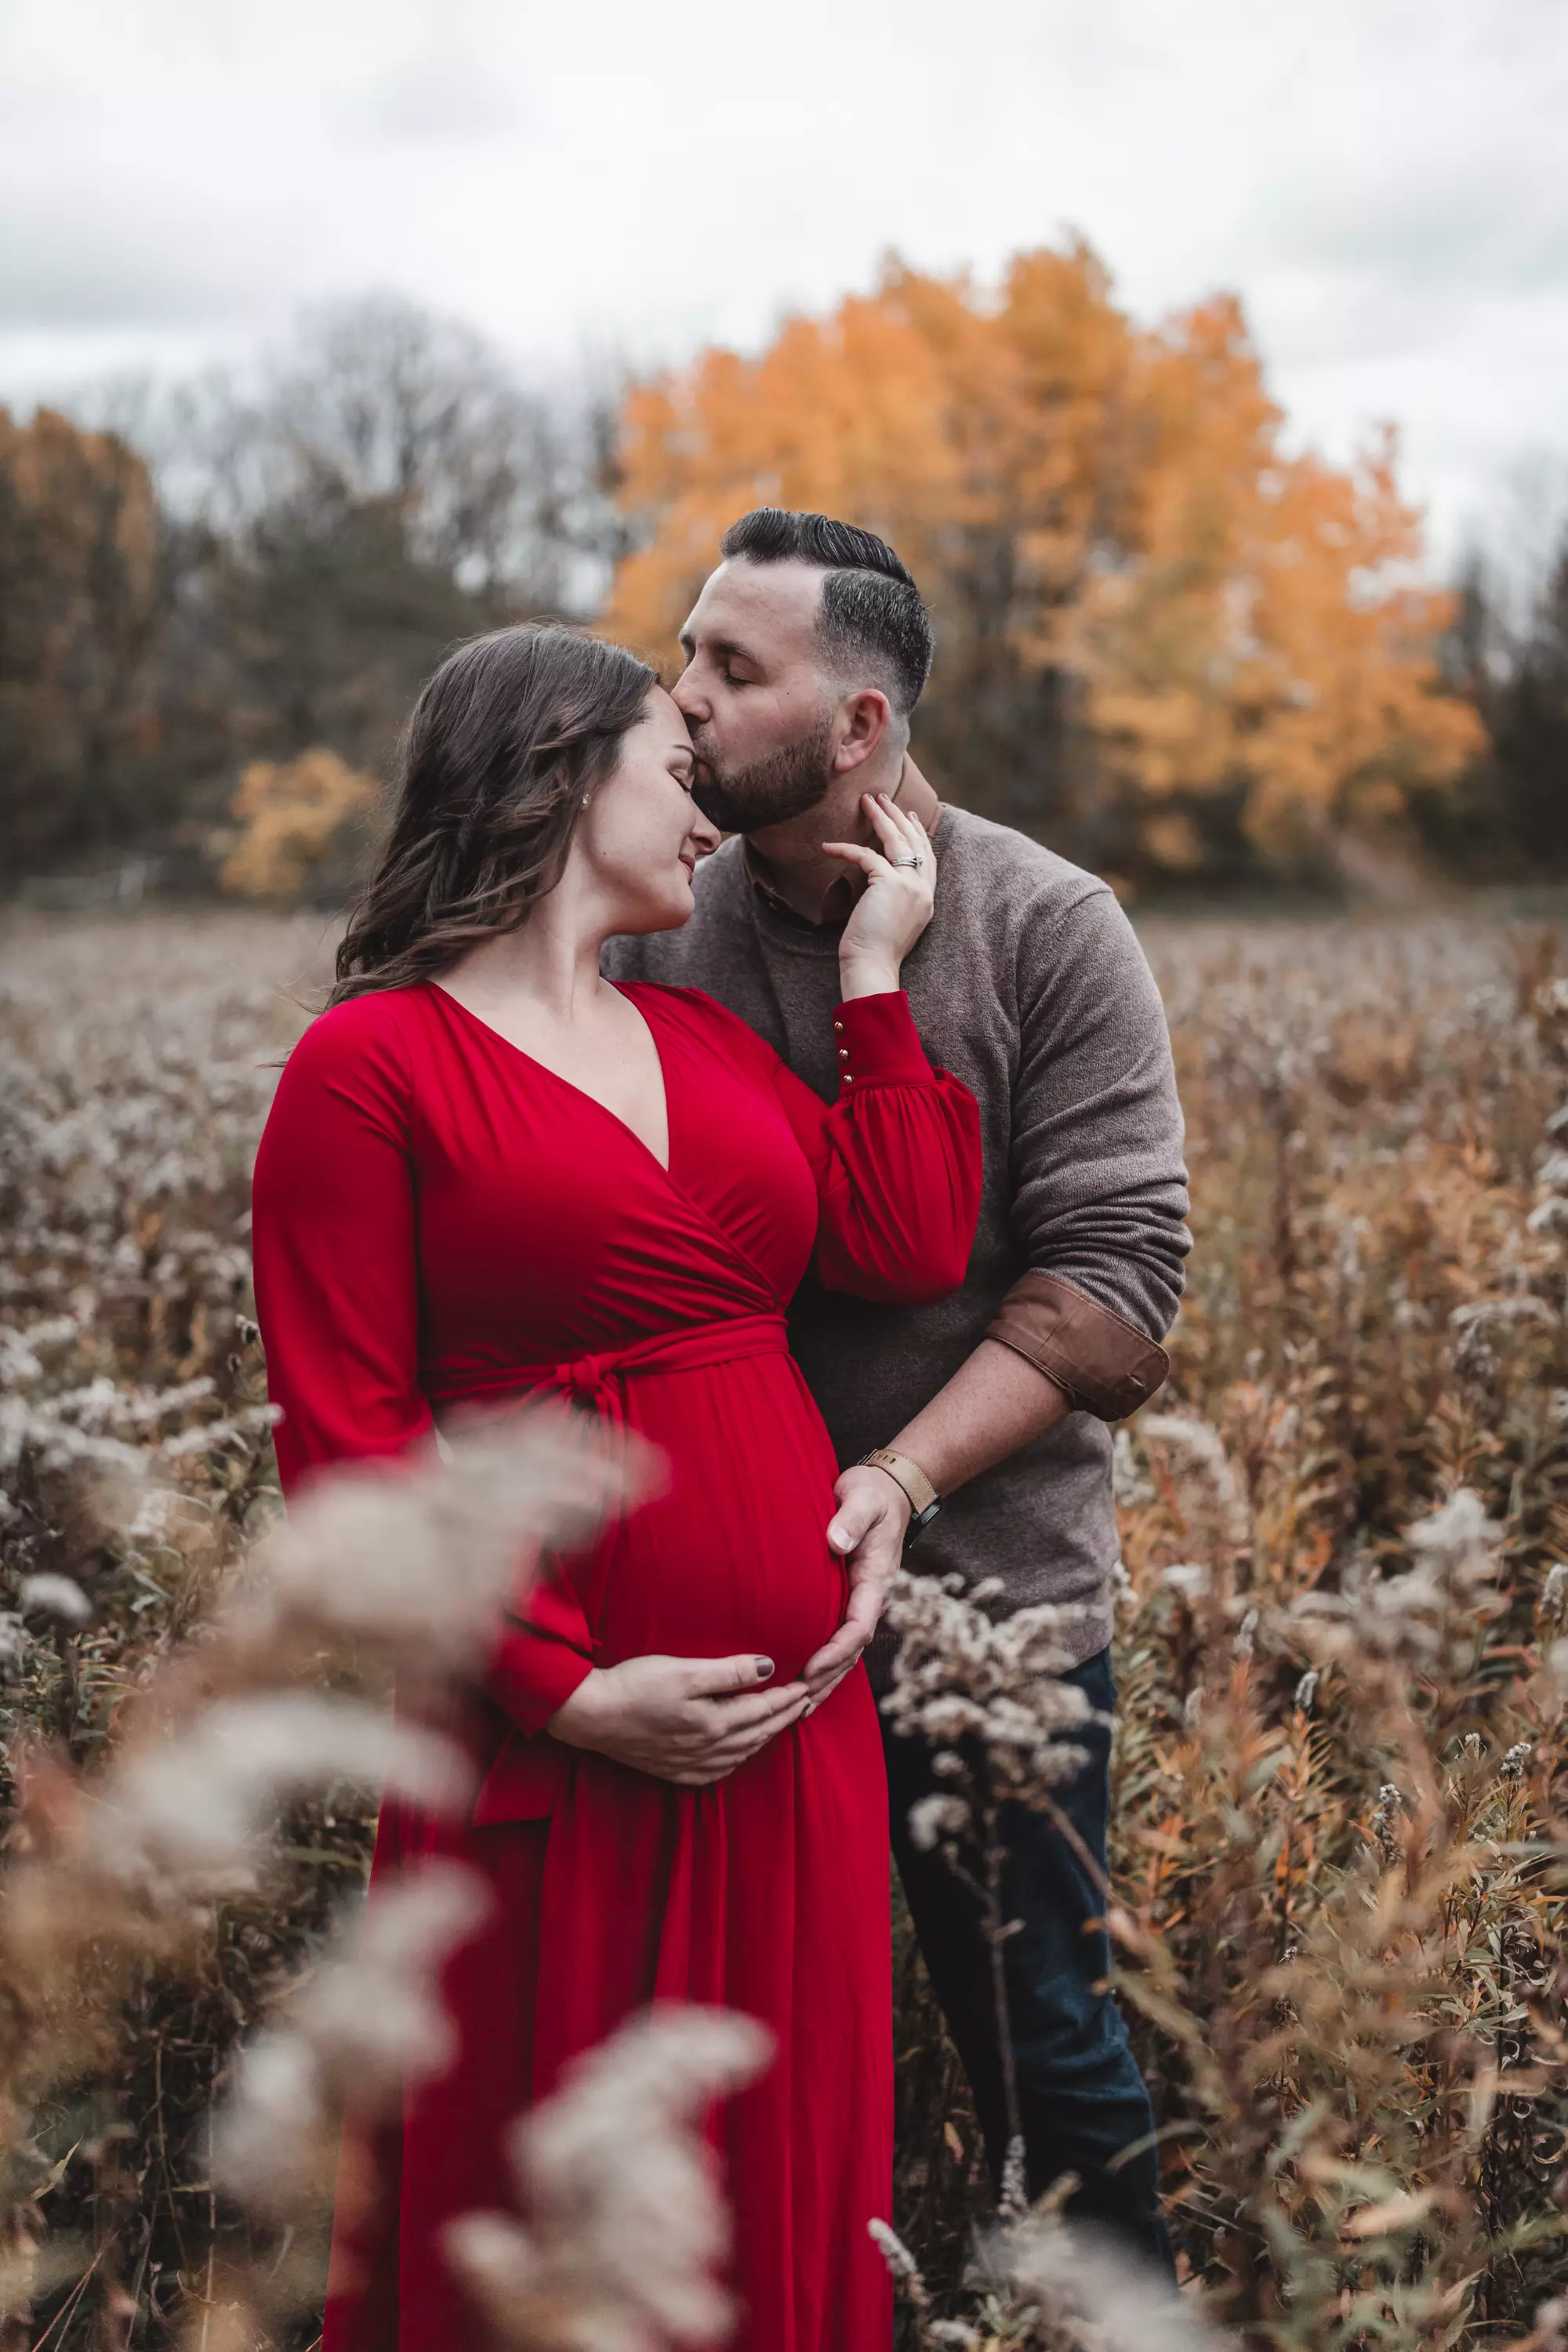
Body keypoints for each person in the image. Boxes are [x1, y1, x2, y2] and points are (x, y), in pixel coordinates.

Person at [249, 621, 982, 2352]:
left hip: (788, 1738)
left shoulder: (711, 1046)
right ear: (563, 774)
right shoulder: (366, 1071)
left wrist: (877, 978)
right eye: (674, 763)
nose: (709, 809)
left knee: (772, 2171)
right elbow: (345, 1455)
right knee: (545, 2188)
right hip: (552, 1746)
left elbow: (906, 1236)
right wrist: (566, 1691)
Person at [605, 510, 1191, 2268]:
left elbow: (1116, 1296)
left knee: (1045, 2039)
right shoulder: (644, 915)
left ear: (858, 725)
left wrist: (899, 1480)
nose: (683, 699)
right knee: (703, 2052)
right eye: (684, 655)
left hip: (985, 1615)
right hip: (709, 1608)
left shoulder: (1044, 927)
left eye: (732, 667)